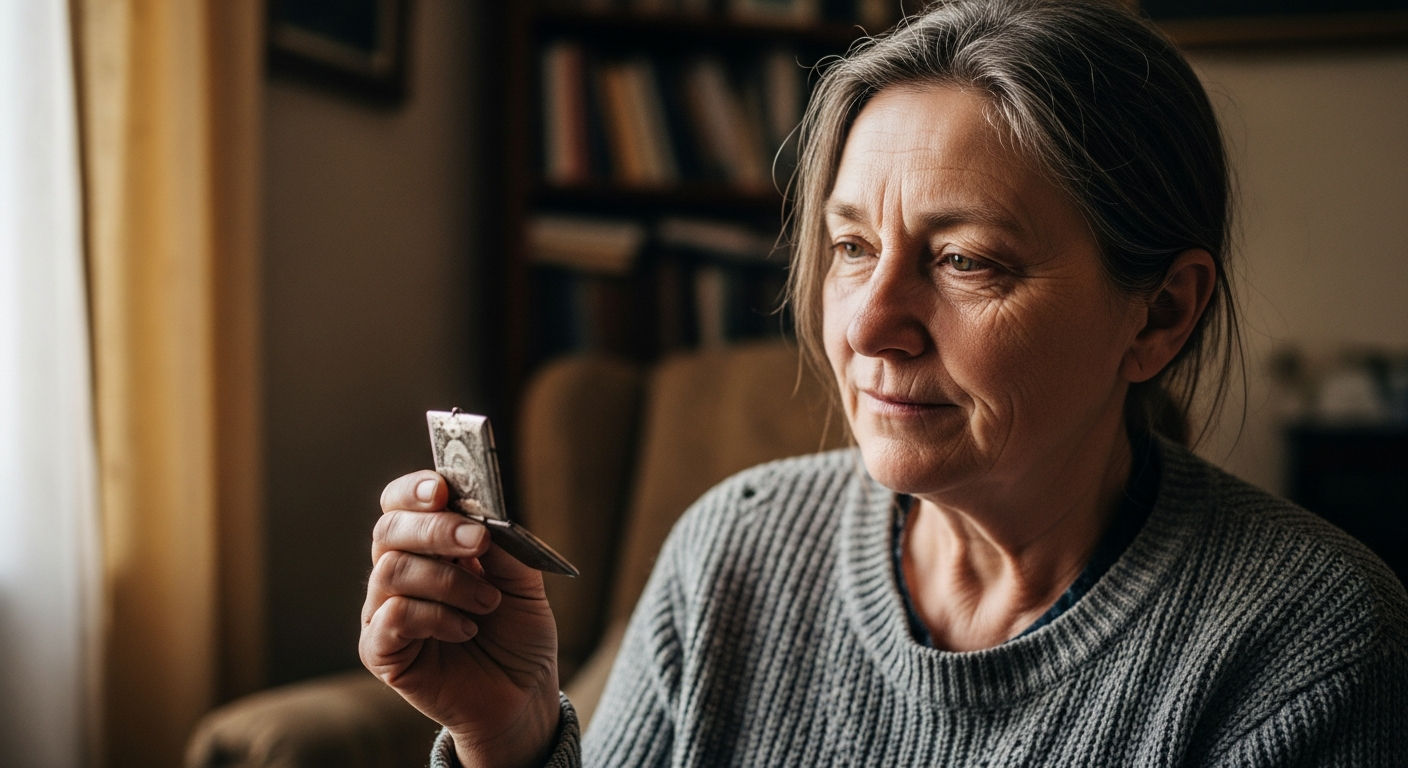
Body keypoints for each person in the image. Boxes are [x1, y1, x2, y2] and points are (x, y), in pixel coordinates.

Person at [360, 1, 1408, 765]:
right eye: (852, 247)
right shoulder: (731, 550)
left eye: (966, 262)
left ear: (1161, 313)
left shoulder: (1313, 643)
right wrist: (511, 739)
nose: (866, 322)